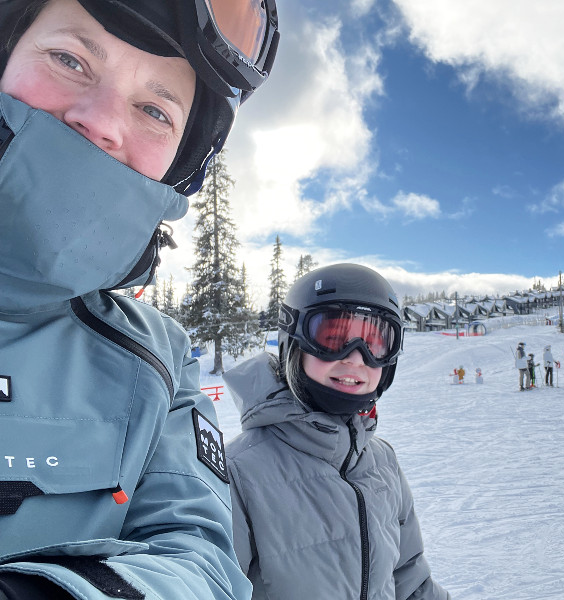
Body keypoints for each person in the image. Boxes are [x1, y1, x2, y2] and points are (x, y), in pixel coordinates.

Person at [0, 1, 279, 598]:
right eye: (69, 59)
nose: (101, 123)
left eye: (155, 109)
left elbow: (201, 558)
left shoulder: (156, 360)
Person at [223, 264, 450, 600]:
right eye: (333, 338)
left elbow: (410, 581)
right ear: (294, 343)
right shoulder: (239, 471)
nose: (356, 357)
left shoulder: (382, 461)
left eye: (375, 341)